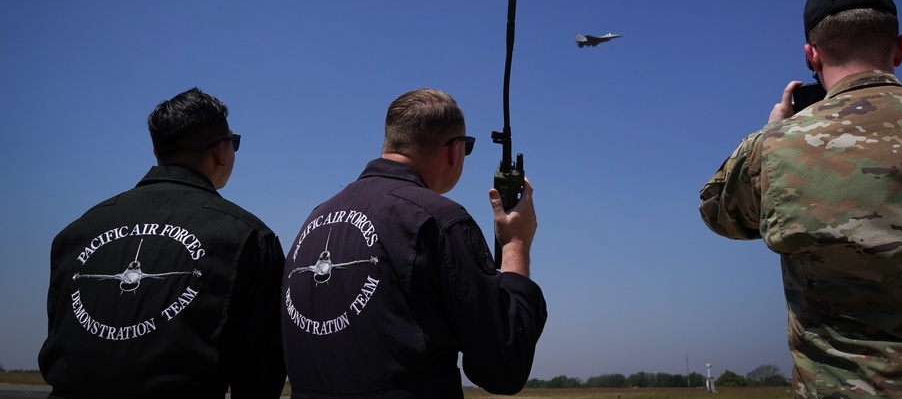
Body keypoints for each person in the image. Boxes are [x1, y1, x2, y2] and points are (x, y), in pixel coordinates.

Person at [699, 0, 902, 398]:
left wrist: (771, 135)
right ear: (900, 48)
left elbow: (719, 216)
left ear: (812, 56)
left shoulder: (774, 146)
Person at [281, 88, 546, 399]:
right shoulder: (440, 220)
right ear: (454, 151)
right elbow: (503, 366)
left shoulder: (311, 222)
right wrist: (515, 246)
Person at [39, 88, 286, 399]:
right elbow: (259, 381)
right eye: (234, 143)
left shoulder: (73, 234)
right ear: (221, 151)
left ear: (156, 153)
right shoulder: (248, 239)